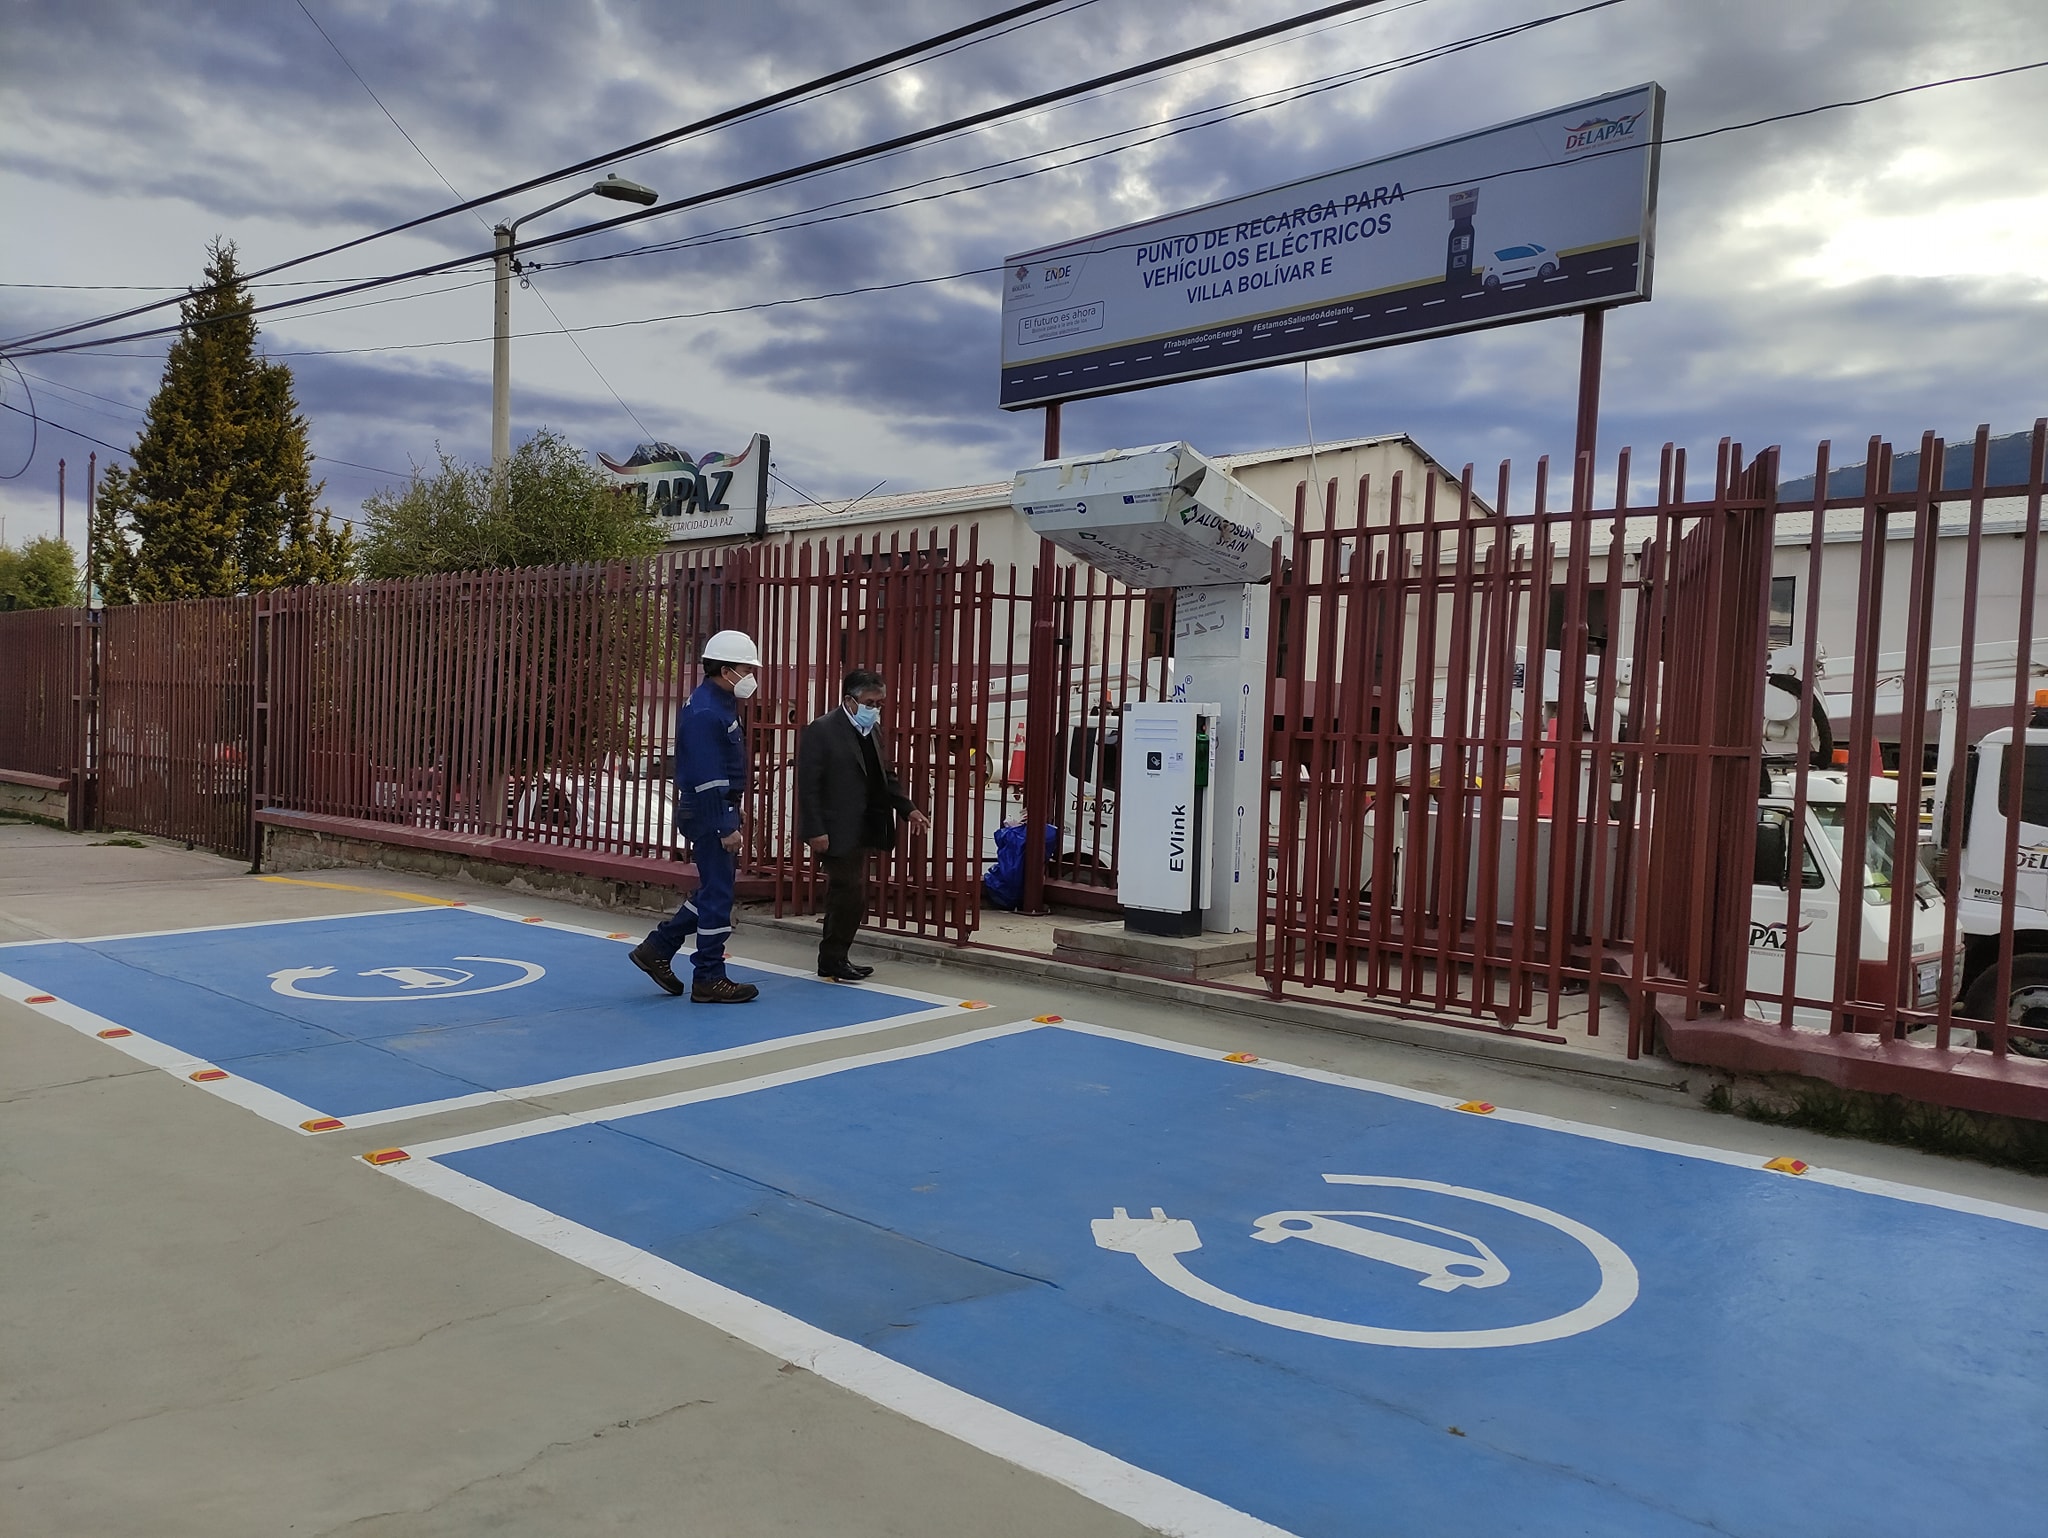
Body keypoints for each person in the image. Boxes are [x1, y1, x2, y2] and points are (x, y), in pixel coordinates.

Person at [630, 630, 762, 1003]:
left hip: (713, 807)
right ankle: (709, 976)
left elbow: (721, 768)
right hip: (708, 811)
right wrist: (724, 822)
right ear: (726, 670)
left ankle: (659, 947)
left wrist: (733, 804)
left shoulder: (717, 702)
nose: (751, 677)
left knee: (711, 889)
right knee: (718, 894)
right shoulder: (707, 711)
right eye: (746, 670)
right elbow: (708, 775)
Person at [795, 669, 930, 981]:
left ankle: (834, 957)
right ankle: (834, 957)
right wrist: (815, 829)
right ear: (850, 701)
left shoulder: (872, 730)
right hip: (834, 827)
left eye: (880, 703)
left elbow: (885, 776)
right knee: (849, 892)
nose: (875, 709)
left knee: (847, 894)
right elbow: (809, 785)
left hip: (866, 823)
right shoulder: (822, 730)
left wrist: (908, 809)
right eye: (870, 703)